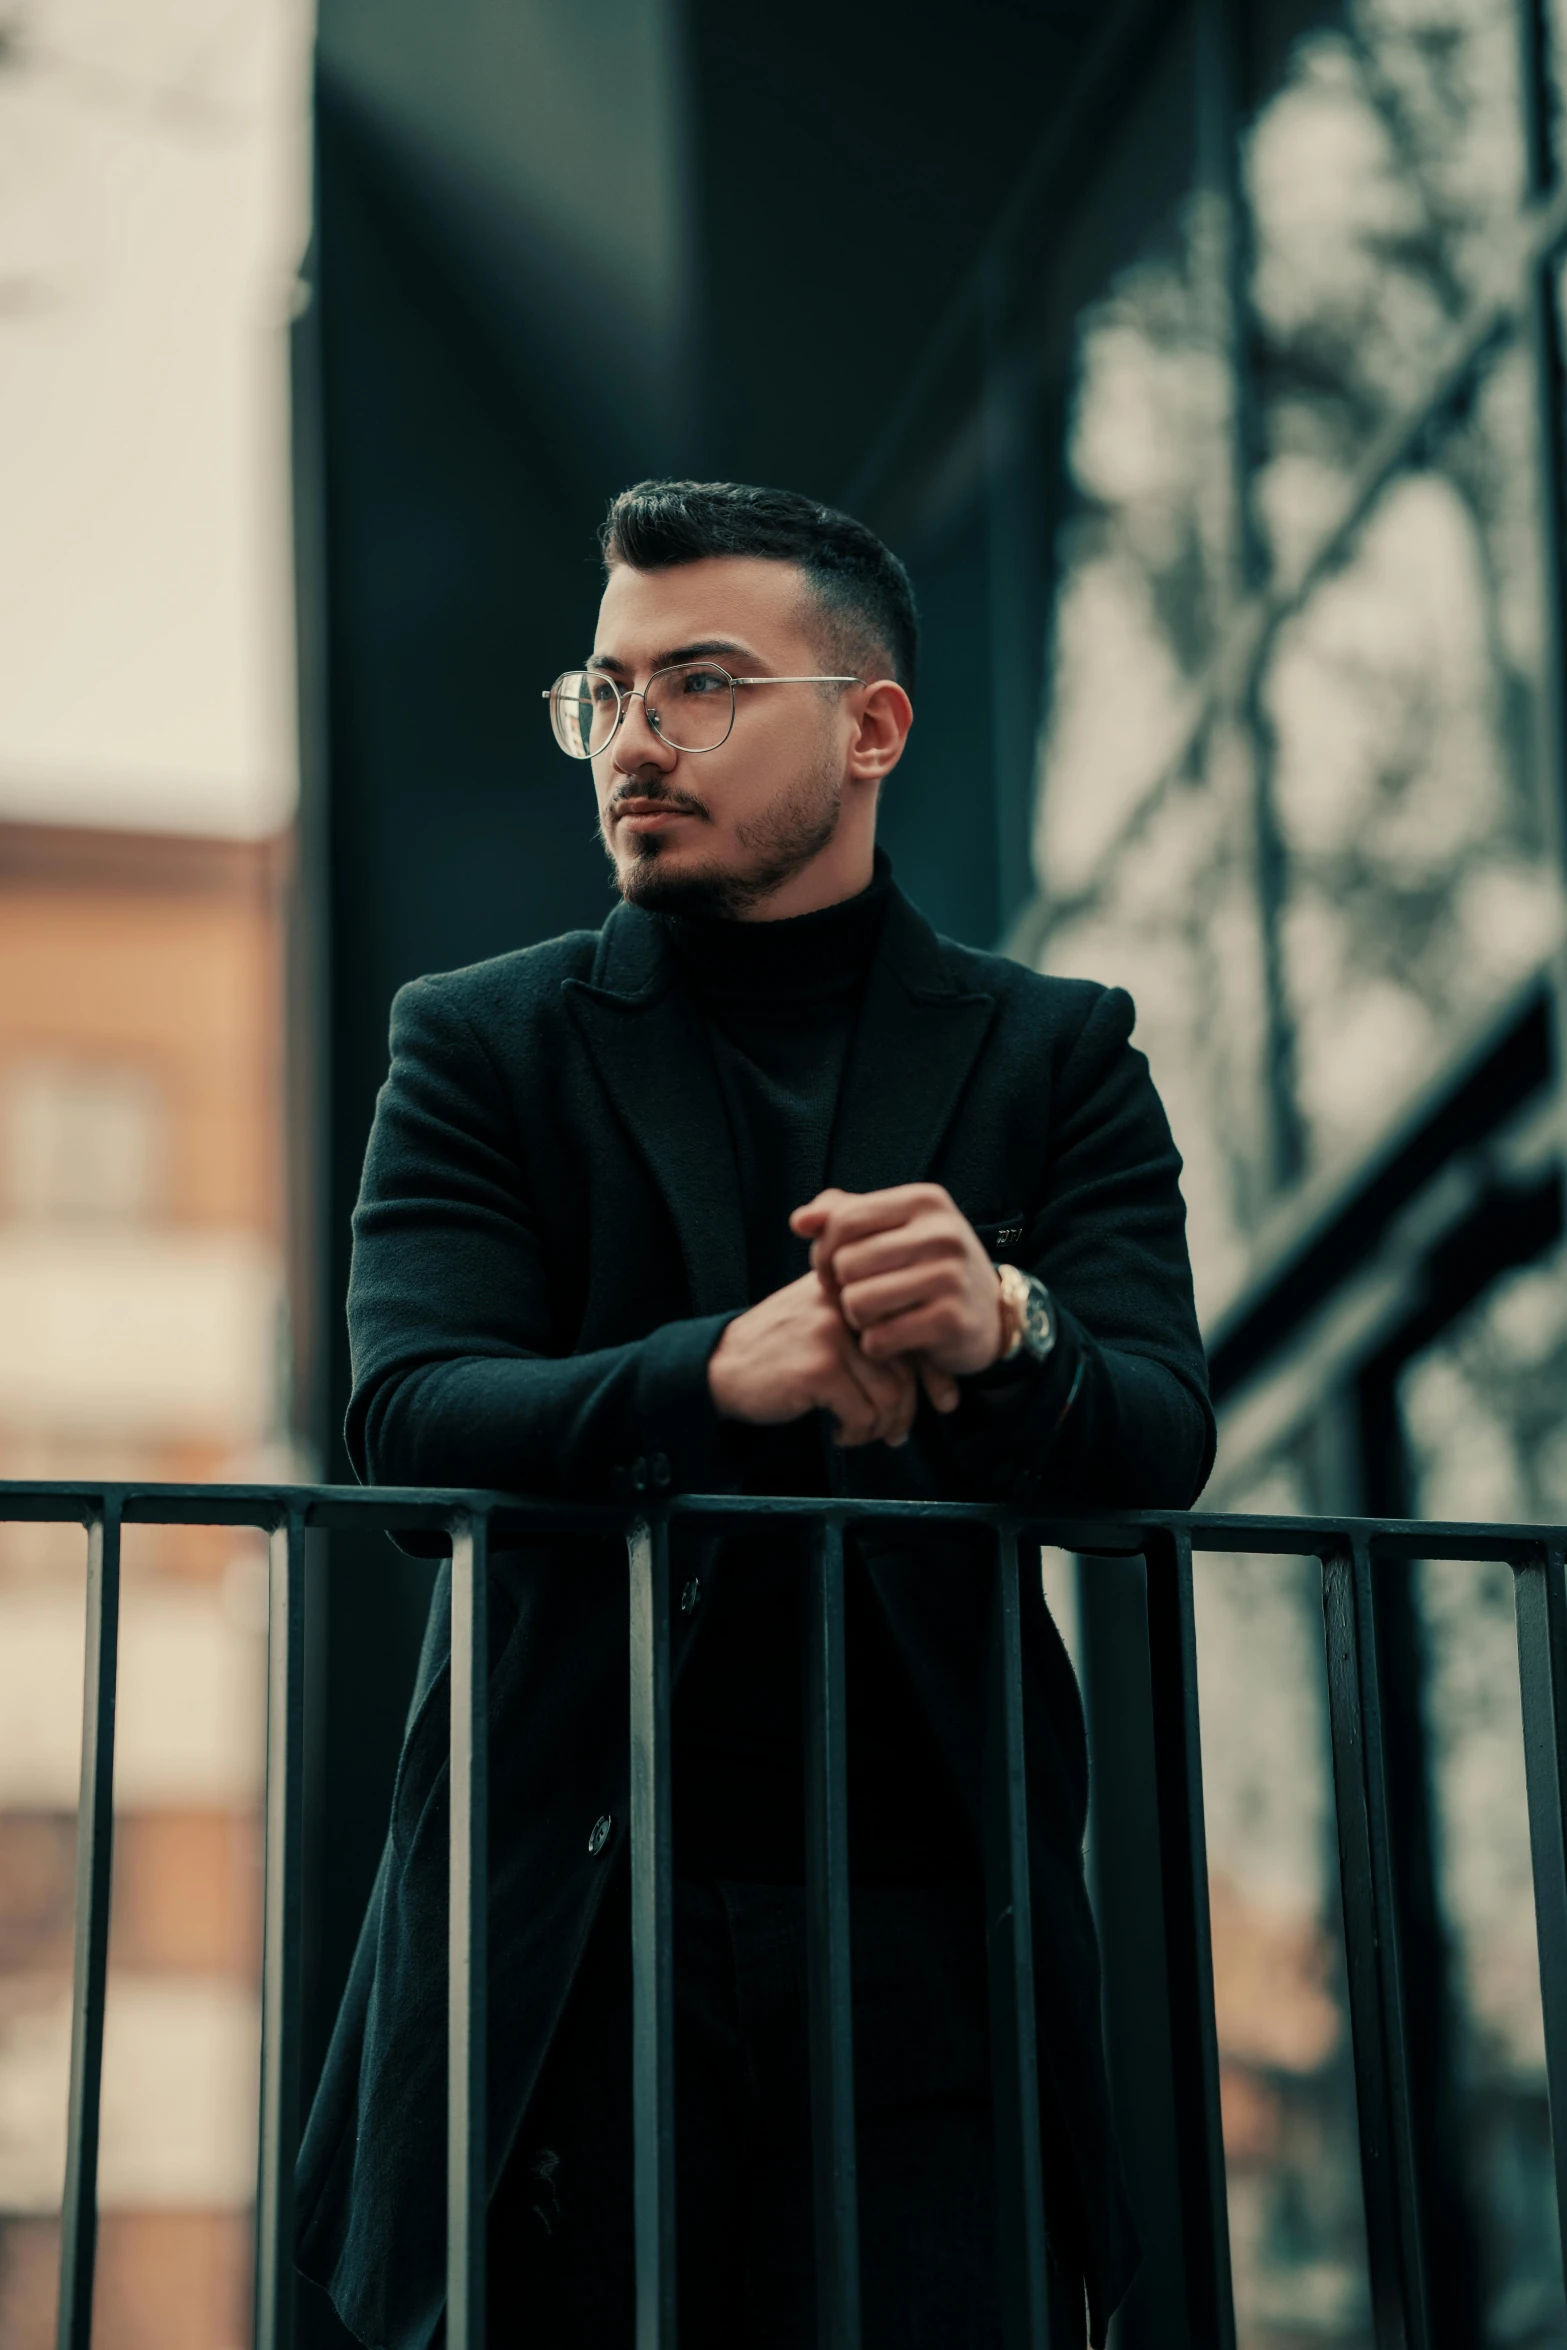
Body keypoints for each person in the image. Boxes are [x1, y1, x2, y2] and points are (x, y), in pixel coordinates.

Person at [295, 480, 1214, 2350]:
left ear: (869, 724)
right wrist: (719, 1373)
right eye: (607, 694)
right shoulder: (477, 1037)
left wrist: (1005, 1328)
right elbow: (409, 1418)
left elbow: (1153, 1437)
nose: (634, 741)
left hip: (937, 1927)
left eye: (700, 685)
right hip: (566, 1929)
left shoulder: (1059, 1049)